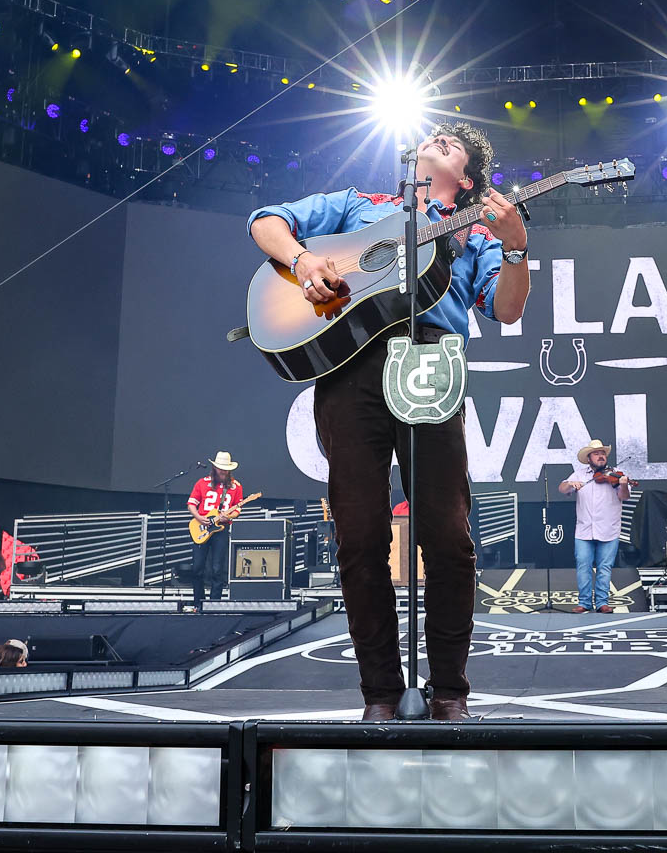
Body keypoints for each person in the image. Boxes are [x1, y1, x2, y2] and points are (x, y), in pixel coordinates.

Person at [248, 122, 529, 722]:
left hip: (430, 362)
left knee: (447, 534)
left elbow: (505, 308)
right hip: (349, 365)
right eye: (436, 136)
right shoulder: (359, 205)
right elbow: (265, 221)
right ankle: (380, 692)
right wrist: (302, 262)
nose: (439, 139)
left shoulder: (474, 231)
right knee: (359, 533)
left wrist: (516, 247)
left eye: (454, 145)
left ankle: (450, 690)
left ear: (468, 180)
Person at [559, 439, 631, 614]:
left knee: (604, 567)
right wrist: (570, 484)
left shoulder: (615, 475)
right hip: (584, 529)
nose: (601, 456)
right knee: (583, 565)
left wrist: (623, 484)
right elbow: (562, 488)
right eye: (597, 453)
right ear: (589, 458)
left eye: (603, 453)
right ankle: (584, 602)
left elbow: (625, 496)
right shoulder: (580, 474)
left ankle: (602, 603)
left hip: (609, 528)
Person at [187, 452, 247, 612]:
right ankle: (198, 603)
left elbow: (238, 510)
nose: (223, 472)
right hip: (201, 526)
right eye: (220, 469)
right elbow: (191, 504)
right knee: (197, 568)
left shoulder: (236, 486)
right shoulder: (202, 483)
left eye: (225, 470)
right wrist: (199, 517)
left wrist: (227, 516)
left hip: (221, 529)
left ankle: (214, 604)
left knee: (217, 568)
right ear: (214, 468)